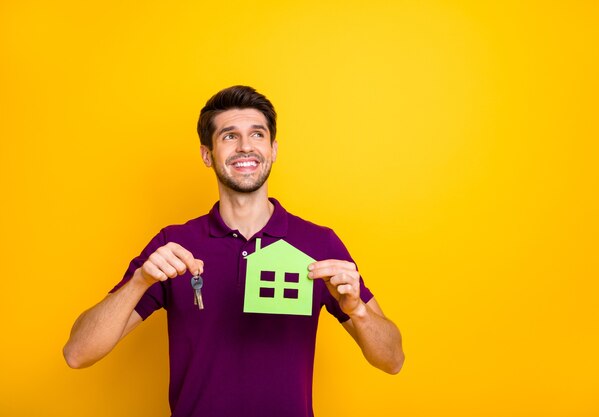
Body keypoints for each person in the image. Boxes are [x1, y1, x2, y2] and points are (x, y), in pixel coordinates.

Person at [63, 85, 404, 417]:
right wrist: (139, 281)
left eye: (257, 135)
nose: (245, 147)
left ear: (273, 149)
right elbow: (78, 354)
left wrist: (357, 311)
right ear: (207, 155)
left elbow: (392, 360)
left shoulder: (318, 243)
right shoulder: (174, 244)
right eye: (229, 136)